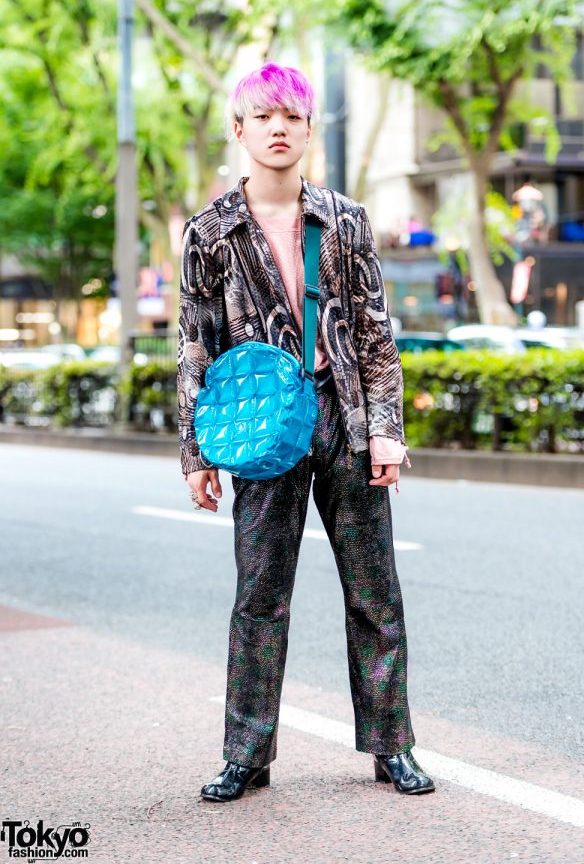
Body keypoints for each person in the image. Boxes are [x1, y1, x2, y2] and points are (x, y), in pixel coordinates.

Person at [177, 62, 435, 802]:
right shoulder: (211, 233)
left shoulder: (344, 220)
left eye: (292, 116)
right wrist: (197, 451)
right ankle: (246, 755)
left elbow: (377, 334)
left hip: (344, 417)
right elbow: (195, 344)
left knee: (375, 594)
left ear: (310, 130)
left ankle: (393, 746)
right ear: (240, 129)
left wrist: (385, 430)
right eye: (263, 116)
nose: (278, 128)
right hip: (259, 432)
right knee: (260, 597)